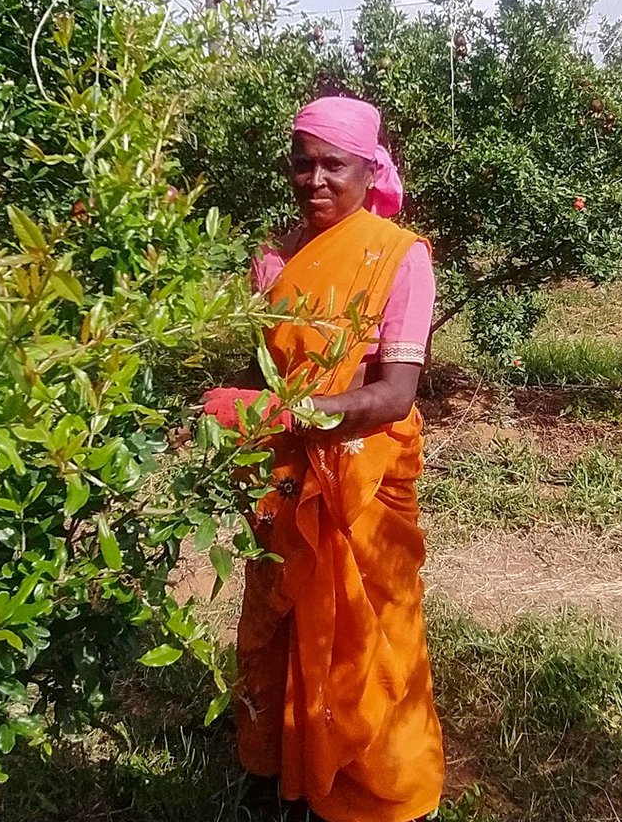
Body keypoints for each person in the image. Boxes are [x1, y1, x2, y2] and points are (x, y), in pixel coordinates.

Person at [203, 96, 444, 822]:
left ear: (370, 170)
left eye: (333, 164)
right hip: (284, 477)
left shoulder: (401, 257)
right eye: (301, 163)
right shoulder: (273, 257)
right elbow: (277, 369)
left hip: (361, 480)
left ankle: (381, 791)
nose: (314, 179)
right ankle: (285, 773)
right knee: (279, 622)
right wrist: (251, 416)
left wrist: (281, 413)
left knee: (372, 638)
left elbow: (393, 395)